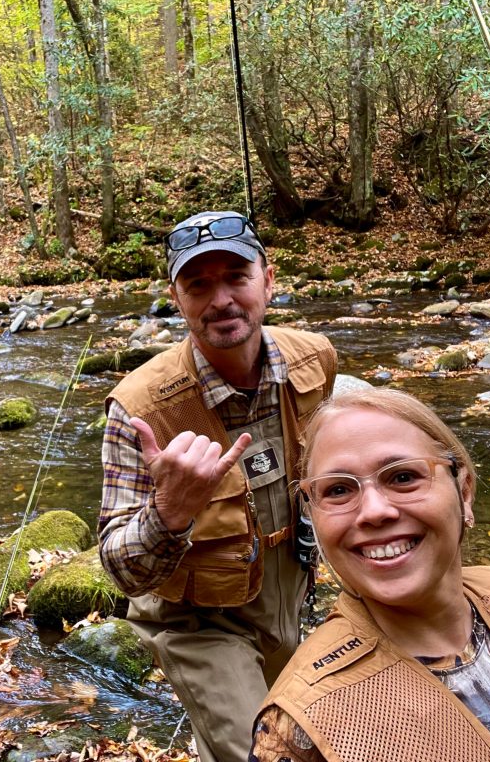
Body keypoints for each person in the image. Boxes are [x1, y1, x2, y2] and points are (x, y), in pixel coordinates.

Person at [98, 211, 338, 762]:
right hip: (199, 622)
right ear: (175, 298)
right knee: (263, 752)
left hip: (291, 594)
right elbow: (118, 569)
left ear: (268, 280)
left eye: (237, 276)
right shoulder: (139, 408)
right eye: (198, 284)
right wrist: (169, 514)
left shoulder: (315, 359)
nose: (222, 299)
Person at [251, 388, 490, 762]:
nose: (373, 511)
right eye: (338, 490)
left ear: (464, 490)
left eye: (402, 477)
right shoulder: (300, 727)